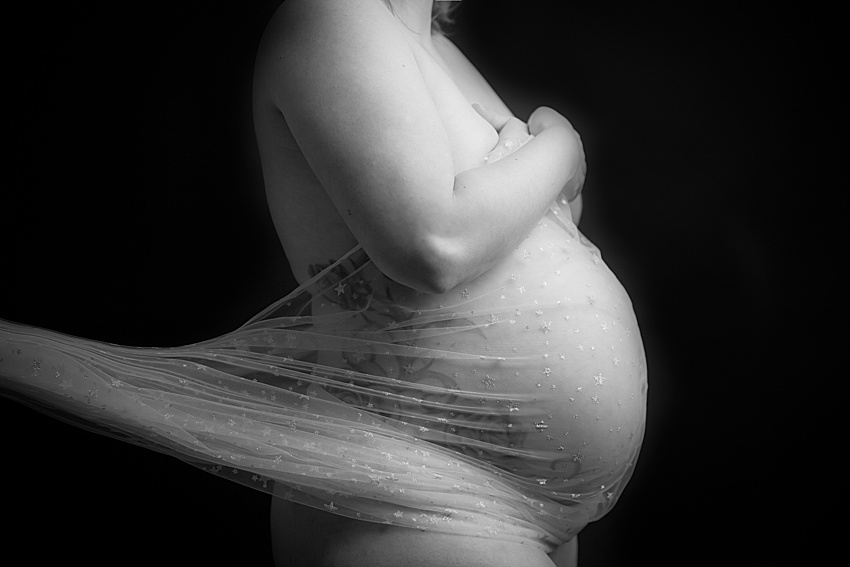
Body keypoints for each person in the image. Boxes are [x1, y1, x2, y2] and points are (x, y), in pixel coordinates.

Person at [0, 1, 646, 566]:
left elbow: (537, 234)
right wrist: (560, 145)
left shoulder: (435, 47)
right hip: (417, 494)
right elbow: (435, 245)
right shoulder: (334, 15)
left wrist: (543, 176)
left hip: (523, 504)